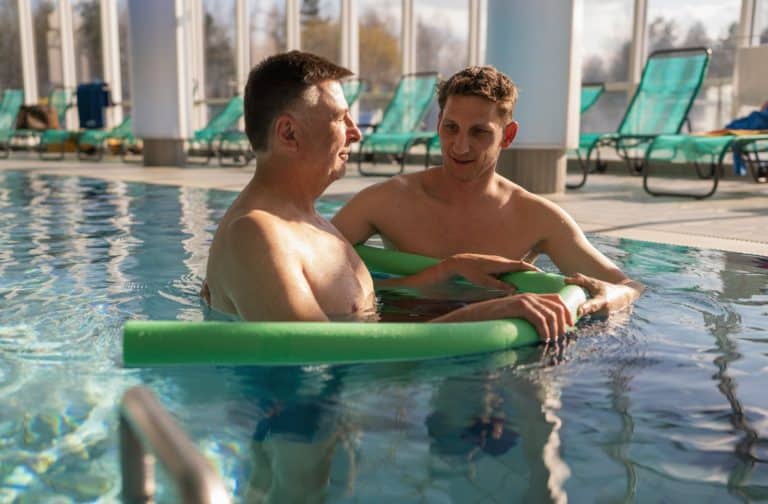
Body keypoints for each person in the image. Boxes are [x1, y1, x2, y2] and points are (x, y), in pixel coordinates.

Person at [203, 52, 575, 340]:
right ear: (288, 134)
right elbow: (320, 357)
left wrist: (444, 272)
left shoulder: (305, 223)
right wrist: (489, 314)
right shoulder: (256, 236)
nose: (355, 133)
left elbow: (354, 315)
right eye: (340, 119)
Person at [332, 65, 643, 317]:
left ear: (507, 136)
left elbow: (626, 286)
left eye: (479, 132)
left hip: (495, 353)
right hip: (402, 342)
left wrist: (612, 297)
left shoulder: (536, 217)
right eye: (451, 127)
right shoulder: (387, 201)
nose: (460, 145)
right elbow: (306, 261)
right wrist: (430, 278)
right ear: (439, 123)